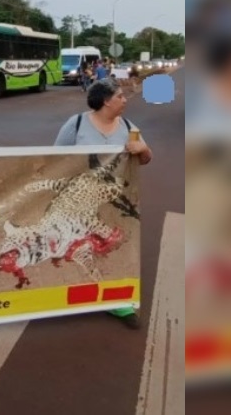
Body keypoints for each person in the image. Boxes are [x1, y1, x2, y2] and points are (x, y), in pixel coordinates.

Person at [54, 79, 152, 329]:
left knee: (114, 247)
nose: (125, 99)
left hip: (116, 202)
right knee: (78, 247)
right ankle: (73, 292)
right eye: (121, 96)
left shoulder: (129, 127)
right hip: (80, 202)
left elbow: (145, 159)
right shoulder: (75, 125)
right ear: (106, 101)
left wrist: (142, 148)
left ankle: (117, 301)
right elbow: (55, 157)